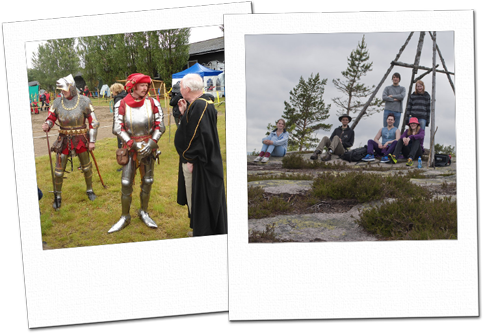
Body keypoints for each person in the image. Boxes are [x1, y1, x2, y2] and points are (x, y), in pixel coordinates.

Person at [108, 73, 165, 233]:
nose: (145, 88)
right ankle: (125, 216)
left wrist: (152, 142)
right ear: (132, 86)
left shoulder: (153, 102)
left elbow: (160, 125)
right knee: (126, 183)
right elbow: (117, 127)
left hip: (149, 146)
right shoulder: (122, 103)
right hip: (129, 148)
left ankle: (143, 212)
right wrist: (131, 143)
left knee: (148, 180)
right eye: (142, 85)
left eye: (146, 85)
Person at [174, 73, 227, 237]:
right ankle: (201, 230)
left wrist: (189, 158)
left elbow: (197, 137)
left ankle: (203, 233)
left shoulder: (199, 106)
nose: (180, 90)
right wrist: (185, 113)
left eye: (181, 86)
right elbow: (198, 131)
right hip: (207, 160)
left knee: (201, 200)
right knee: (201, 199)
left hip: (200, 163)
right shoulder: (204, 103)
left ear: (187, 89)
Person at [41, 74, 100, 209]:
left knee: (86, 167)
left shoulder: (84, 101)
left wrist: (92, 141)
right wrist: (47, 124)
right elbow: (51, 117)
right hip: (63, 139)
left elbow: (94, 122)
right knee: (58, 171)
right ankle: (58, 196)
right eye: (61, 90)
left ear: (72, 88)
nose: (62, 92)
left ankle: (89, 190)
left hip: (81, 138)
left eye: (65, 89)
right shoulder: (57, 102)